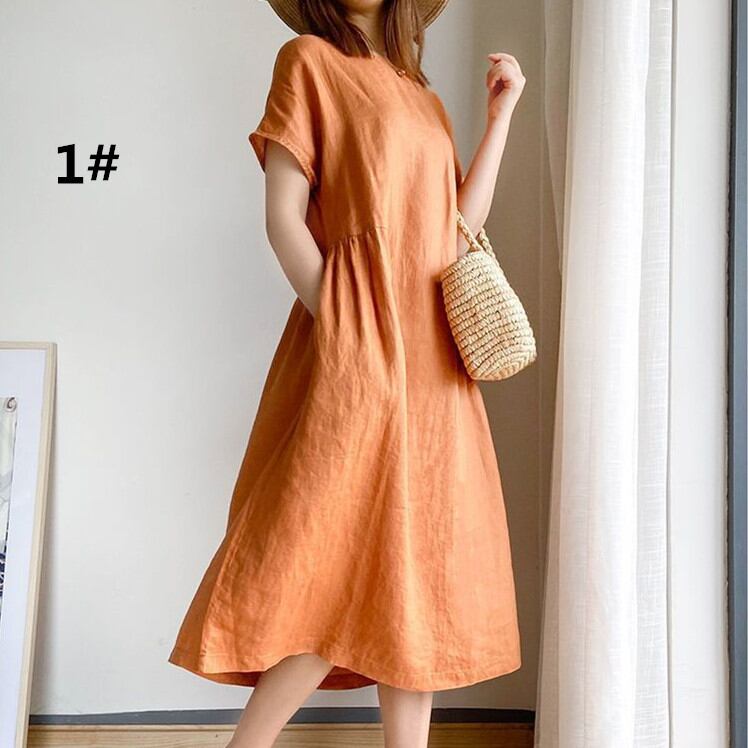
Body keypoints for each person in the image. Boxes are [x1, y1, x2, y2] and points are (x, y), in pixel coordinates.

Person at [168, 1, 526, 745]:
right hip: (357, 347)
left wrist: (500, 119)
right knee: (327, 562)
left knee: (418, 573)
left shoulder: (420, 94)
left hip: (433, 359)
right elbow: (283, 218)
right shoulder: (308, 62)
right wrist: (343, 326)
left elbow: (458, 230)